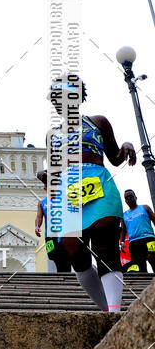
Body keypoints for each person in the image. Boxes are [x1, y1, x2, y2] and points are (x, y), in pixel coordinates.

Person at [48, 74, 135, 312]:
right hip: (69, 192)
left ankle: (114, 313)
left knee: (104, 246)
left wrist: (126, 146)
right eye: (55, 98)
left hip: (98, 184)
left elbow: (115, 158)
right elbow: (55, 174)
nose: (58, 102)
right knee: (73, 250)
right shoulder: (53, 134)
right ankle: (107, 310)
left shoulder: (98, 122)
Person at [35, 170, 70, 272]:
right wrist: (37, 227)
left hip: (63, 233)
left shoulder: (63, 199)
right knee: (53, 255)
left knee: (65, 257)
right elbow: (39, 217)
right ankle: (62, 273)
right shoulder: (42, 202)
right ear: (45, 188)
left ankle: (65, 275)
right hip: (49, 236)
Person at [120, 189, 155, 274]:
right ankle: (147, 286)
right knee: (140, 267)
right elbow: (123, 230)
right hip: (134, 243)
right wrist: (122, 242)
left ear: (135, 197)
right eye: (127, 197)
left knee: (153, 259)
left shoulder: (145, 208)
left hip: (149, 239)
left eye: (131, 196)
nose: (129, 199)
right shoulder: (124, 215)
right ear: (125, 200)